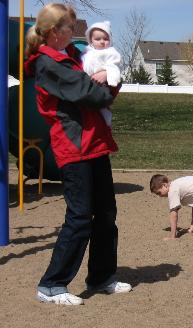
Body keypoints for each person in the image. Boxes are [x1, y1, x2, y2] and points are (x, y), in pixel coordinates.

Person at [25, 3, 131, 305]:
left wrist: (107, 73)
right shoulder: (49, 64)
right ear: (55, 32)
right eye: (70, 26)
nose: (75, 30)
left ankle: (101, 276)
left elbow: (101, 86)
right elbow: (96, 94)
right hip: (74, 146)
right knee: (80, 216)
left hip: (94, 143)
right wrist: (109, 78)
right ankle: (52, 284)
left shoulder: (71, 56)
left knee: (106, 212)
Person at [81, 20, 121, 128]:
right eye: (97, 39)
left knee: (102, 107)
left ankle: (106, 120)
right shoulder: (86, 52)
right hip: (87, 82)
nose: (102, 41)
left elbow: (114, 67)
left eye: (105, 39)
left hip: (102, 85)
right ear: (91, 40)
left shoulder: (111, 52)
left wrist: (107, 73)